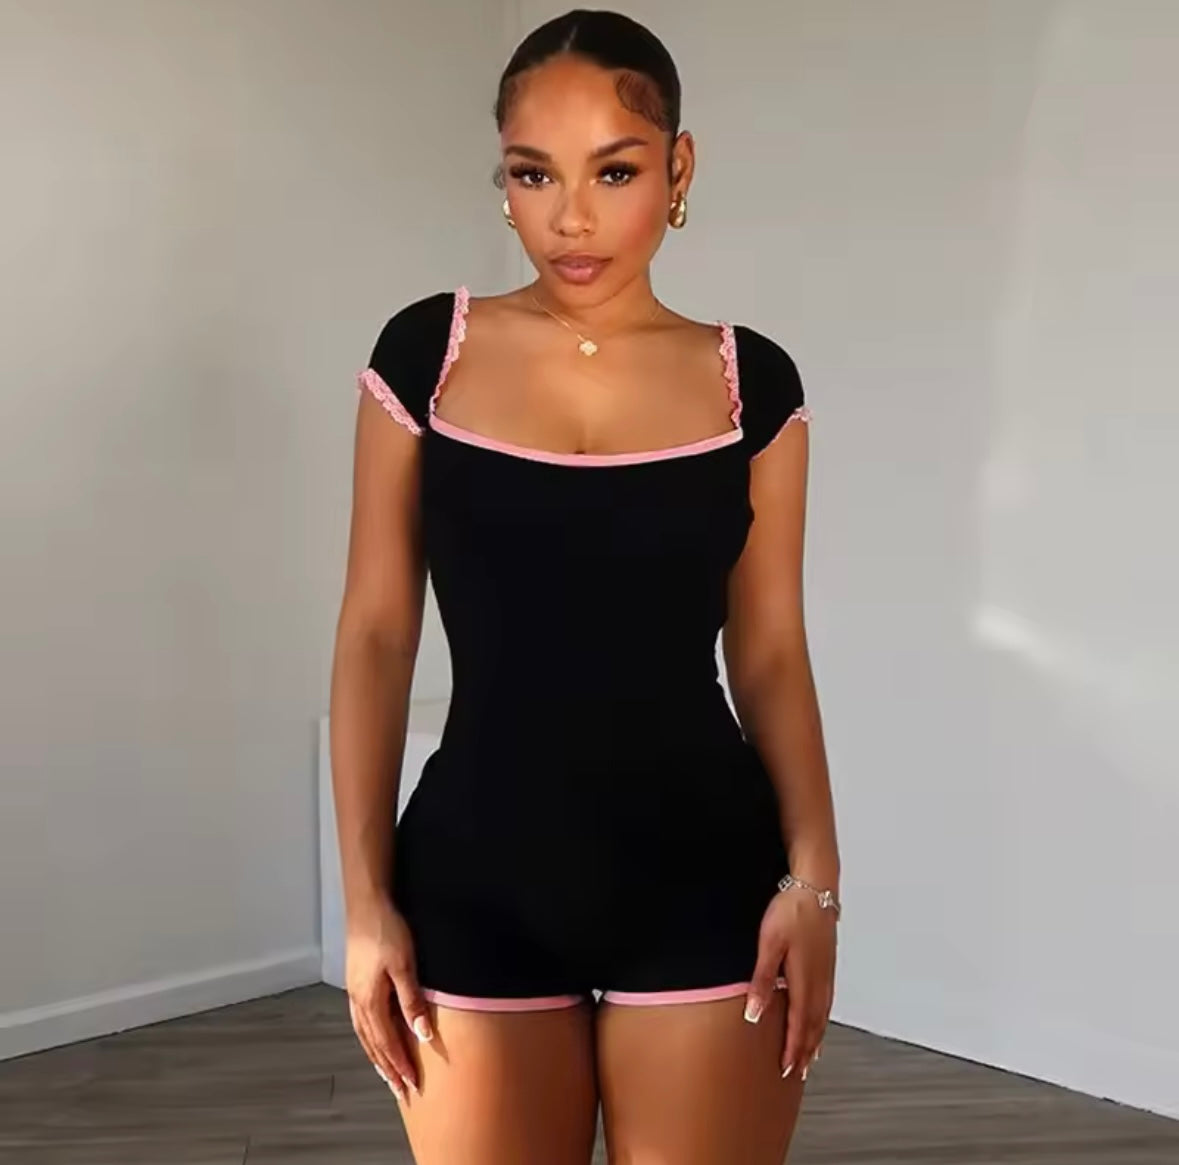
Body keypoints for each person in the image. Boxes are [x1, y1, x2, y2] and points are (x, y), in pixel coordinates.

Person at [329, 10, 840, 1163]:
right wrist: (365, 905)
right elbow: (375, 634)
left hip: (707, 880)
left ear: (679, 169)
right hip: (475, 882)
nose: (570, 218)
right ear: (502, 180)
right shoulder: (427, 355)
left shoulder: (752, 384)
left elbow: (769, 651)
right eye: (533, 174)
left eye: (615, 171)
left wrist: (817, 876)